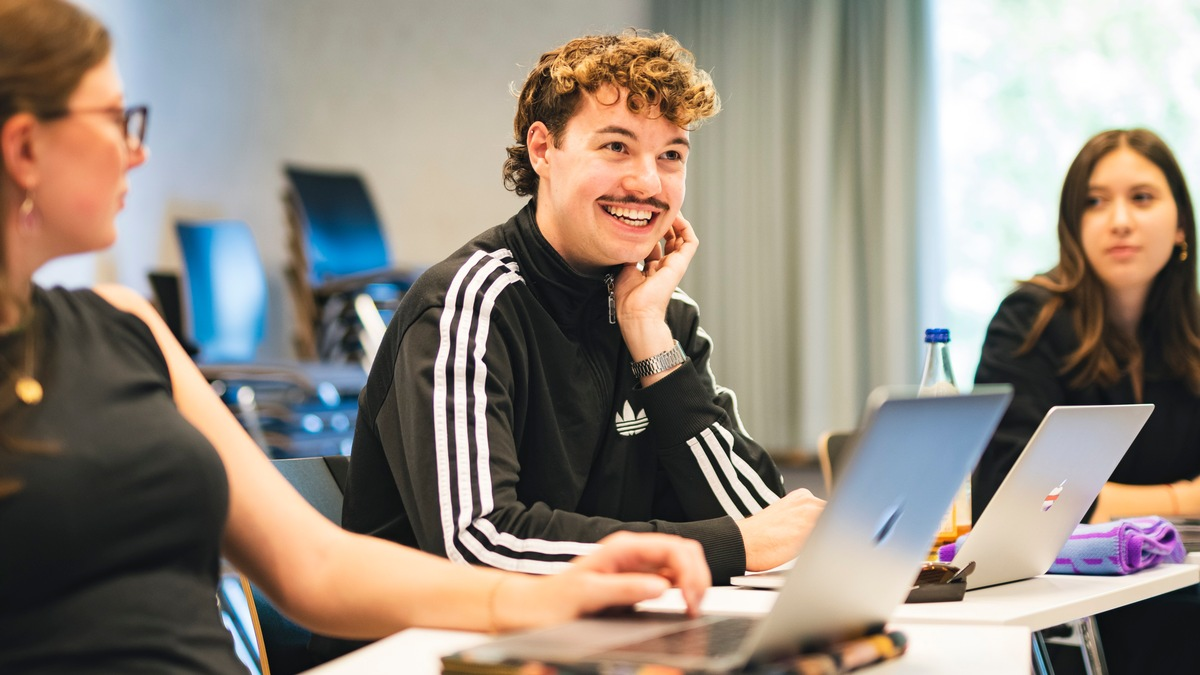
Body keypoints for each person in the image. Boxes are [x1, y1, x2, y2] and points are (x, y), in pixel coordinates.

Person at [0, 1, 712, 671]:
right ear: (25, 147)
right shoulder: (467, 298)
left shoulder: (127, 329)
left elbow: (314, 564)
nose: (138, 150)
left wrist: (553, 589)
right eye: (116, 118)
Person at [342, 31, 824, 588]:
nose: (647, 182)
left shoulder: (662, 316)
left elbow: (765, 529)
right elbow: (478, 543)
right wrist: (716, 547)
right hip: (426, 651)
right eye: (616, 147)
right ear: (543, 149)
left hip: (594, 636)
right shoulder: (467, 305)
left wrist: (650, 340)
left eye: (670, 155)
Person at [972, 128, 1200, 674]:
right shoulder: (1028, 323)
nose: (1119, 219)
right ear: (1072, 226)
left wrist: (1118, 502)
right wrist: (1182, 498)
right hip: (1072, 608)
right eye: (1095, 202)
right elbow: (1020, 500)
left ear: (1180, 228)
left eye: (1141, 198)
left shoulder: (1192, 332)